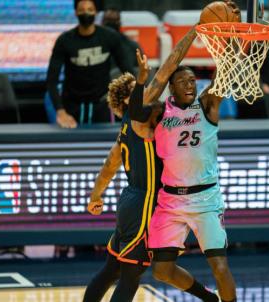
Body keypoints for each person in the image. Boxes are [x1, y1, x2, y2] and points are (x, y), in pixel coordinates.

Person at [83, 8, 220, 301]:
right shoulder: (141, 114)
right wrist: (196, 30)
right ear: (130, 98)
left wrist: (96, 196)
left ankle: (208, 298)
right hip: (145, 201)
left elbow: (109, 165)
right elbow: (171, 64)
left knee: (111, 269)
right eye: (140, 89)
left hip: (129, 200)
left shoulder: (126, 127)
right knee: (131, 276)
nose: (149, 92)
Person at [129, 4, 240, 302]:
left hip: (205, 198)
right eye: (183, 81)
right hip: (171, 200)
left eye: (193, 80)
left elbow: (227, 73)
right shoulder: (159, 112)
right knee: (162, 271)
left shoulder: (207, 105)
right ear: (172, 89)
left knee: (219, 265)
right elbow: (135, 111)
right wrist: (142, 80)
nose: (190, 84)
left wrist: (232, 37)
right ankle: (208, 298)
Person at [46, 0, 134, 128]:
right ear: (76, 12)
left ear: (96, 12)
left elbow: (129, 73)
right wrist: (60, 111)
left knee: (106, 146)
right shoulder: (64, 41)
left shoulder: (109, 37)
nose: (86, 13)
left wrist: (129, 99)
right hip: (72, 107)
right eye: (82, 10)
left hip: (102, 105)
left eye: (90, 9)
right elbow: (51, 80)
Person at [101, 5, 143, 78]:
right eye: (108, 20)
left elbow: (140, 72)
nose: (111, 23)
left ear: (119, 22)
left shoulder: (132, 46)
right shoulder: (95, 44)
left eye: (114, 20)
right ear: (102, 22)